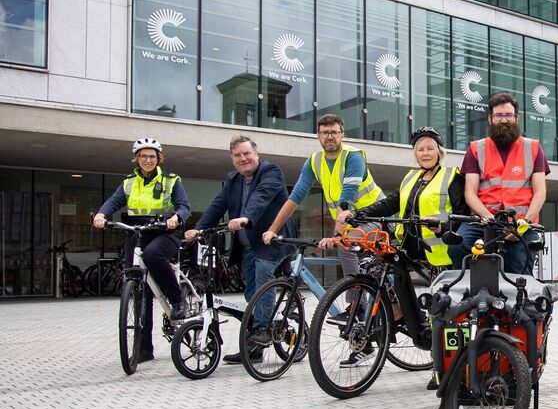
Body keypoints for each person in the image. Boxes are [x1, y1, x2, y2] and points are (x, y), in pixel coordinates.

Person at [187, 136, 295, 364]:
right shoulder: (233, 179)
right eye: (237, 155)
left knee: (263, 275)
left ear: (256, 154)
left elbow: (261, 197)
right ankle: (253, 349)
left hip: (271, 241)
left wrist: (246, 217)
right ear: (232, 159)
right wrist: (198, 229)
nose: (243, 158)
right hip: (247, 245)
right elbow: (218, 205)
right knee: (250, 289)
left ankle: (264, 328)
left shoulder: (271, 171)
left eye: (246, 153)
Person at [93, 138, 192, 364]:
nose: (148, 160)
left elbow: (184, 206)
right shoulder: (129, 182)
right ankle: (144, 350)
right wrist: (101, 215)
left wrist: (177, 218)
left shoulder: (171, 180)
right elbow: (113, 202)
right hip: (137, 233)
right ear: (136, 158)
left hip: (165, 233)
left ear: (159, 159)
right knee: (139, 291)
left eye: (152, 156)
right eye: (143, 156)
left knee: (152, 255)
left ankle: (177, 300)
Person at [262, 114, 382, 280]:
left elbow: (346, 198)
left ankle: (357, 304)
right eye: (325, 133)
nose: (329, 137)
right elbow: (296, 197)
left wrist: (337, 236)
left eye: (334, 132)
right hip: (349, 222)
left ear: (342, 135)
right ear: (318, 136)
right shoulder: (314, 161)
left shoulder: (353, 157)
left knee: (345, 244)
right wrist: (273, 230)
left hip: (374, 217)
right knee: (347, 244)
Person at [336, 127, 468, 270]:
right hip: (409, 249)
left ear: (439, 152)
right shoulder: (411, 177)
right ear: (415, 154)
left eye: (430, 148)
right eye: (420, 149)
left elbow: (462, 215)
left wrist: (441, 227)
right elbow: (389, 204)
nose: (425, 154)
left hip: (441, 254)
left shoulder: (452, 177)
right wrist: (356, 213)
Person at [453, 93, 549, 275]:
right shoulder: (476, 148)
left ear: (516, 118)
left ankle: (520, 302)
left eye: (508, 115)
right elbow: (470, 193)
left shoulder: (534, 148)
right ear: (490, 119)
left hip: (522, 224)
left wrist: (525, 223)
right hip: (483, 222)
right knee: (459, 245)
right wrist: (489, 219)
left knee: (519, 267)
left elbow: (540, 192)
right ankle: (468, 295)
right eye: (498, 115)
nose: (504, 120)